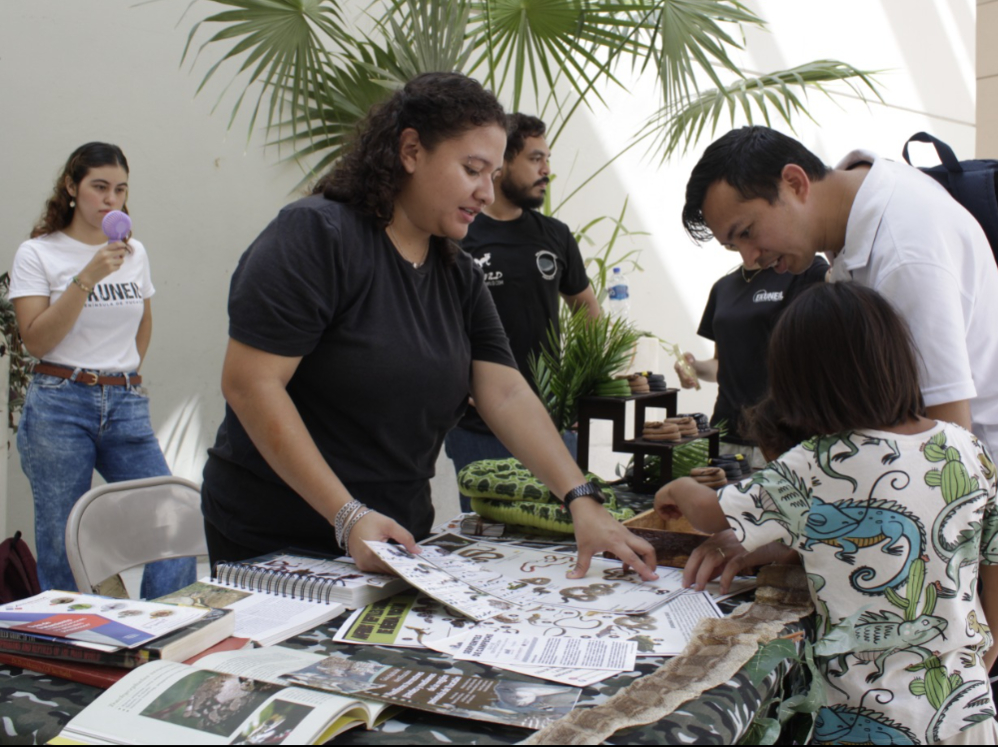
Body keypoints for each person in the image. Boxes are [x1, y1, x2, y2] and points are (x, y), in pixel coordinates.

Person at [680, 126, 998, 744]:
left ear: (794, 183)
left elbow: (943, 438)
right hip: (966, 499)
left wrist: (964, 671)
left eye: (745, 233)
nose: (750, 259)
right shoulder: (861, 210)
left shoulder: (905, 248)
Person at [201, 72, 657, 580]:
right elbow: (251, 383)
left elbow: (503, 392)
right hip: (281, 540)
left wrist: (581, 499)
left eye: (493, 174)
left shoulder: (457, 272)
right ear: (411, 151)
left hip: (396, 542)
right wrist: (347, 515)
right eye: (472, 170)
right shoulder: (317, 236)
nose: (487, 192)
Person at [656, 281, 998, 747]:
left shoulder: (818, 461)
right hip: (967, 720)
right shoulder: (967, 449)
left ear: (800, 380)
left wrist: (677, 486)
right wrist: (972, 680)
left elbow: (710, 514)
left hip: (863, 722)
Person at [10, 142, 195, 598]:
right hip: (60, 401)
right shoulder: (37, 254)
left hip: (124, 403)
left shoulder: (135, 253)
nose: (110, 199)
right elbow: (35, 339)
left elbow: (143, 323)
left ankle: (165, 626)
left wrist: (124, 375)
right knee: (63, 539)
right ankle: (80, 641)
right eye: (99, 187)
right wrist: (87, 277)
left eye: (120, 189)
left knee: (171, 519)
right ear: (72, 188)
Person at [445, 113, 601, 509]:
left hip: (553, 421)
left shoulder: (555, 235)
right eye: (535, 159)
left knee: (562, 533)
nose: (546, 170)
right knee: (489, 540)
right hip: (479, 428)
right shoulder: (459, 235)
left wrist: (584, 389)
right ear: (502, 164)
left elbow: (587, 311)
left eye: (547, 159)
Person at [674, 257, 827, 467]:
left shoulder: (803, 273)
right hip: (725, 431)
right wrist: (695, 368)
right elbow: (721, 362)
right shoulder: (722, 287)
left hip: (781, 435)